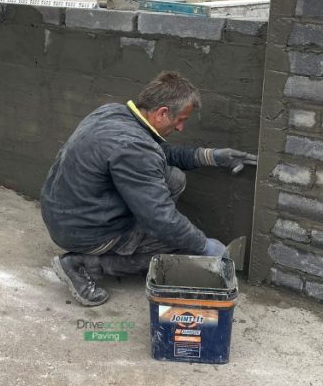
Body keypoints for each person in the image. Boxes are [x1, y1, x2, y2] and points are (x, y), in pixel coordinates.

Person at [40, 71, 257, 306]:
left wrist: (211, 157)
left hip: (67, 212)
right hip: (85, 230)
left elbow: (159, 154)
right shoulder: (133, 147)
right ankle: (83, 264)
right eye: (181, 120)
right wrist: (203, 246)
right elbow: (161, 217)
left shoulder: (114, 113)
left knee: (173, 178)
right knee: (181, 250)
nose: (181, 127)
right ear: (162, 113)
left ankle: (126, 241)